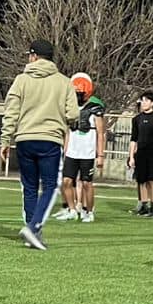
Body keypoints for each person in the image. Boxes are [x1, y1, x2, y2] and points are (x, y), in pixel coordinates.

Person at [0, 39, 79, 250]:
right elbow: (72, 114)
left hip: (24, 139)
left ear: (33, 56)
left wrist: (5, 139)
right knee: (51, 186)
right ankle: (33, 228)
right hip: (50, 139)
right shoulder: (64, 82)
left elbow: (11, 112)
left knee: (30, 187)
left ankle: (32, 231)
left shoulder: (21, 80)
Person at [55, 72, 105, 223]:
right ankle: (72, 209)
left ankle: (88, 211)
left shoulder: (95, 109)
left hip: (87, 153)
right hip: (72, 152)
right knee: (66, 182)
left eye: (80, 93)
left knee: (87, 183)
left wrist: (100, 155)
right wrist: (65, 150)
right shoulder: (70, 108)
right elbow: (67, 133)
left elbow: (101, 134)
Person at [128, 93, 153, 216]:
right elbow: (133, 139)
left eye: (146, 101)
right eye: (142, 101)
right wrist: (131, 157)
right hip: (141, 153)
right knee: (141, 180)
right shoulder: (137, 119)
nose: (143, 103)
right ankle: (143, 206)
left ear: (152, 103)